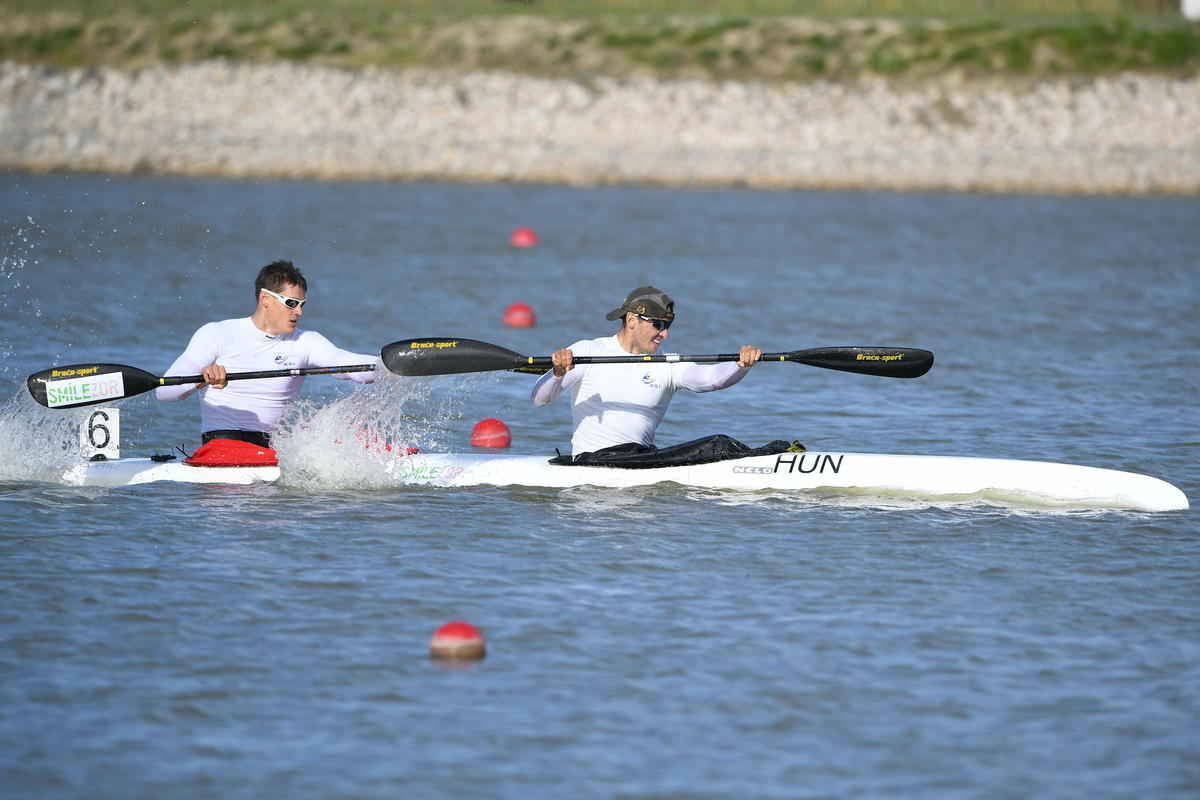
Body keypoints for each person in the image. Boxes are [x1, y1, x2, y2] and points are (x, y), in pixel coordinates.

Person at [157, 260, 377, 448]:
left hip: (273, 446)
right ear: (265, 299)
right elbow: (165, 392)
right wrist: (201, 381)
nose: (299, 311)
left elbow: (349, 364)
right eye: (291, 303)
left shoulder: (305, 341)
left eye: (301, 304)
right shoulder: (217, 334)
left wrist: (390, 365)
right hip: (222, 443)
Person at [531, 285, 761, 456]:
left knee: (719, 444)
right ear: (632, 320)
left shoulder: (667, 364)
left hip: (640, 458)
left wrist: (742, 365)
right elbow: (539, 400)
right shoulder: (588, 351)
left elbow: (711, 379)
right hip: (592, 462)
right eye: (658, 324)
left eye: (667, 325)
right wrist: (557, 373)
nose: (665, 333)